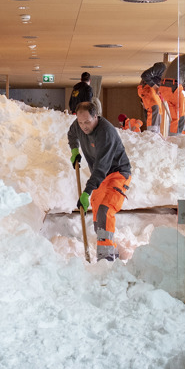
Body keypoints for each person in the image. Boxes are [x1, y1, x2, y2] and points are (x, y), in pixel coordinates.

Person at [67, 102, 132, 261]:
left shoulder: (106, 133)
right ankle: (113, 252)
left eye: (87, 122)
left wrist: (86, 192)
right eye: (80, 122)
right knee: (98, 218)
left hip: (117, 173)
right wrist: (75, 150)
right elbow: (72, 134)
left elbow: (101, 167)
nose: (83, 126)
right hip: (101, 177)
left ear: (96, 116)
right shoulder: (78, 125)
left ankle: (106, 258)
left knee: (105, 210)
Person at [138, 62, 166, 134]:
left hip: (152, 91)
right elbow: (144, 75)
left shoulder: (168, 78)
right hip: (147, 89)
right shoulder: (161, 67)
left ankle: (156, 132)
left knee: (159, 110)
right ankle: (152, 133)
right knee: (155, 108)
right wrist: (155, 86)